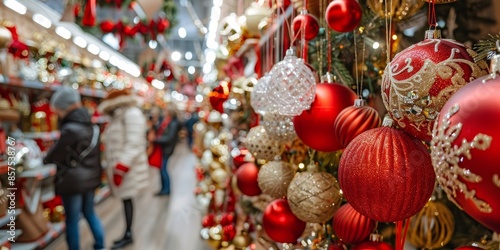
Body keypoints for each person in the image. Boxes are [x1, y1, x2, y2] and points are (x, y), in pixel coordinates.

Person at [43, 86, 105, 250]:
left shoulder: (70, 129)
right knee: (90, 213)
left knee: (72, 219)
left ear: (64, 107)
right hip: (90, 179)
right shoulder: (93, 127)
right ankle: (100, 246)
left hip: (72, 182)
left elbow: (53, 157)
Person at [97, 89, 149, 249]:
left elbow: (134, 143)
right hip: (123, 168)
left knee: (128, 200)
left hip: (128, 169)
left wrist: (121, 168)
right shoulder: (119, 116)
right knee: (126, 201)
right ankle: (127, 232)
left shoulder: (131, 114)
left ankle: (128, 234)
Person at [154, 106, 181, 196]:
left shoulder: (173, 123)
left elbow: (169, 138)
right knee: (161, 169)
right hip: (162, 148)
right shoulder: (165, 122)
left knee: (163, 169)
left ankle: (166, 189)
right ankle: (163, 188)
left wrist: (156, 139)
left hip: (167, 149)